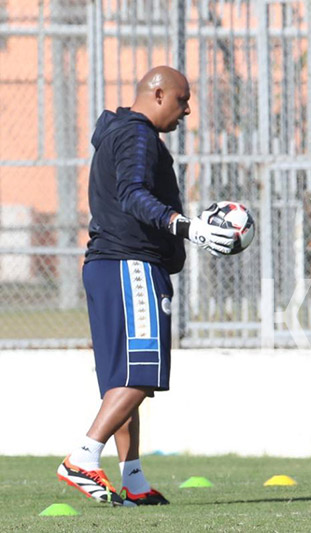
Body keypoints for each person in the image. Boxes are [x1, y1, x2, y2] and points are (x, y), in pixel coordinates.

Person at [57, 66, 239, 506]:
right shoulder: (138, 134)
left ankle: (134, 481)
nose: (187, 109)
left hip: (105, 265)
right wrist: (186, 226)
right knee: (141, 374)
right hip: (130, 265)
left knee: (121, 380)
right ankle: (83, 457)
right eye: (182, 99)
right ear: (157, 94)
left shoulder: (118, 133)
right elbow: (133, 194)